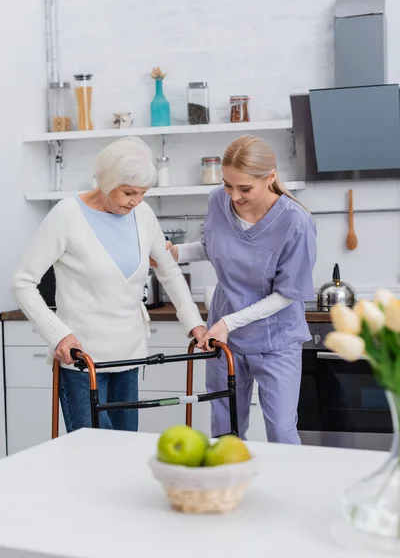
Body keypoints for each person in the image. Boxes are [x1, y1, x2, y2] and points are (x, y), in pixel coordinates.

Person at [13, 137, 206, 433]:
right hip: (82, 359)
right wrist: (58, 336)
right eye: (129, 192)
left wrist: (194, 324)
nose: (137, 201)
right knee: (92, 454)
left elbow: (168, 270)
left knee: (125, 448)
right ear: (107, 182)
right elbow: (23, 282)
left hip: (130, 355)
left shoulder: (142, 215)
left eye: (143, 193)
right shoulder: (67, 216)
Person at [168, 135, 317, 443]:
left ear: (271, 177)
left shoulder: (296, 222)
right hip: (225, 340)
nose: (234, 196)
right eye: (227, 185)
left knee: (280, 431)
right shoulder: (218, 200)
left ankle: (287, 490)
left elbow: (287, 294)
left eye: (245, 188)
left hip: (275, 341)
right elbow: (212, 247)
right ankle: (226, 490)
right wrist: (176, 253)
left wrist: (227, 323)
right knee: (225, 431)